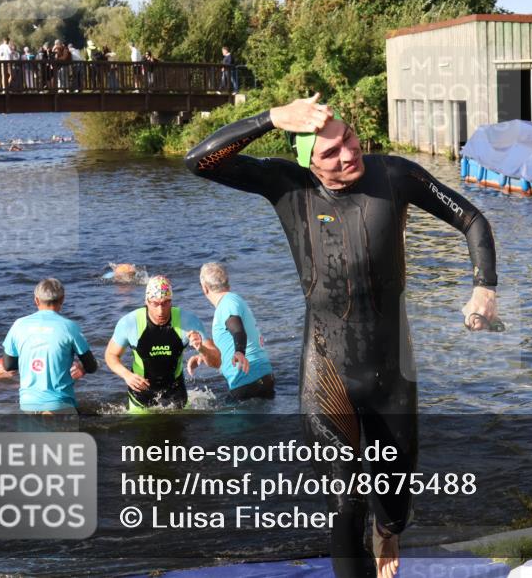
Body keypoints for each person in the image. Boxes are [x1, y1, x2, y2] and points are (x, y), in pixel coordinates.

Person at [185, 94, 499, 578]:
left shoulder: (393, 175)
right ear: (309, 163)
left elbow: (472, 219)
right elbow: (199, 161)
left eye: (350, 139)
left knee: (393, 503)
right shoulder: (288, 186)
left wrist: (484, 288)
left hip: (392, 368)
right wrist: (270, 118)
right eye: (331, 153)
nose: (349, 155)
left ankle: (389, 531)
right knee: (343, 501)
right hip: (327, 369)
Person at [104, 275, 219, 413]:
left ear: (171, 301)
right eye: (155, 303)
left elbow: (217, 362)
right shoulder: (129, 323)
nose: (161, 311)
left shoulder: (189, 321)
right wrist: (126, 375)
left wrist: (203, 349)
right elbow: (111, 355)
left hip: (176, 392)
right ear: (146, 301)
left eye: (165, 303)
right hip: (140, 394)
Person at [0, 278, 98, 413]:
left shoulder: (18, 324)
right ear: (62, 299)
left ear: (36, 300)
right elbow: (91, 366)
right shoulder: (70, 327)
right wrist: (81, 368)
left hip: (28, 403)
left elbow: (8, 365)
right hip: (60, 403)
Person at [187, 262, 274, 402]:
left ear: (204, 288)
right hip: (261, 378)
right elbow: (228, 340)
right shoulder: (233, 301)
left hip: (247, 381)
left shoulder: (227, 304)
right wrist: (203, 354)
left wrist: (240, 351)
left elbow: (237, 329)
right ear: (227, 283)